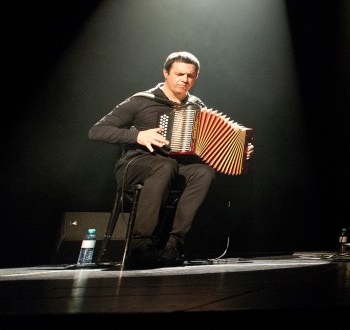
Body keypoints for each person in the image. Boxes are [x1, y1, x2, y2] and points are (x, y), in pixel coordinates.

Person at [88, 51, 252, 268]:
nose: (185, 80)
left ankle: (173, 245)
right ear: (166, 73)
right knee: (165, 165)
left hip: (175, 168)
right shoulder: (141, 101)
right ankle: (140, 244)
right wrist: (137, 136)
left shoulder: (196, 107)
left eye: (190, 76)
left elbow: (207, 144)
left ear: (196, 77)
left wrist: (238, 151)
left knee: (203, 172)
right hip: (135, 164)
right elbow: (97, 131)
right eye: (179, 74)